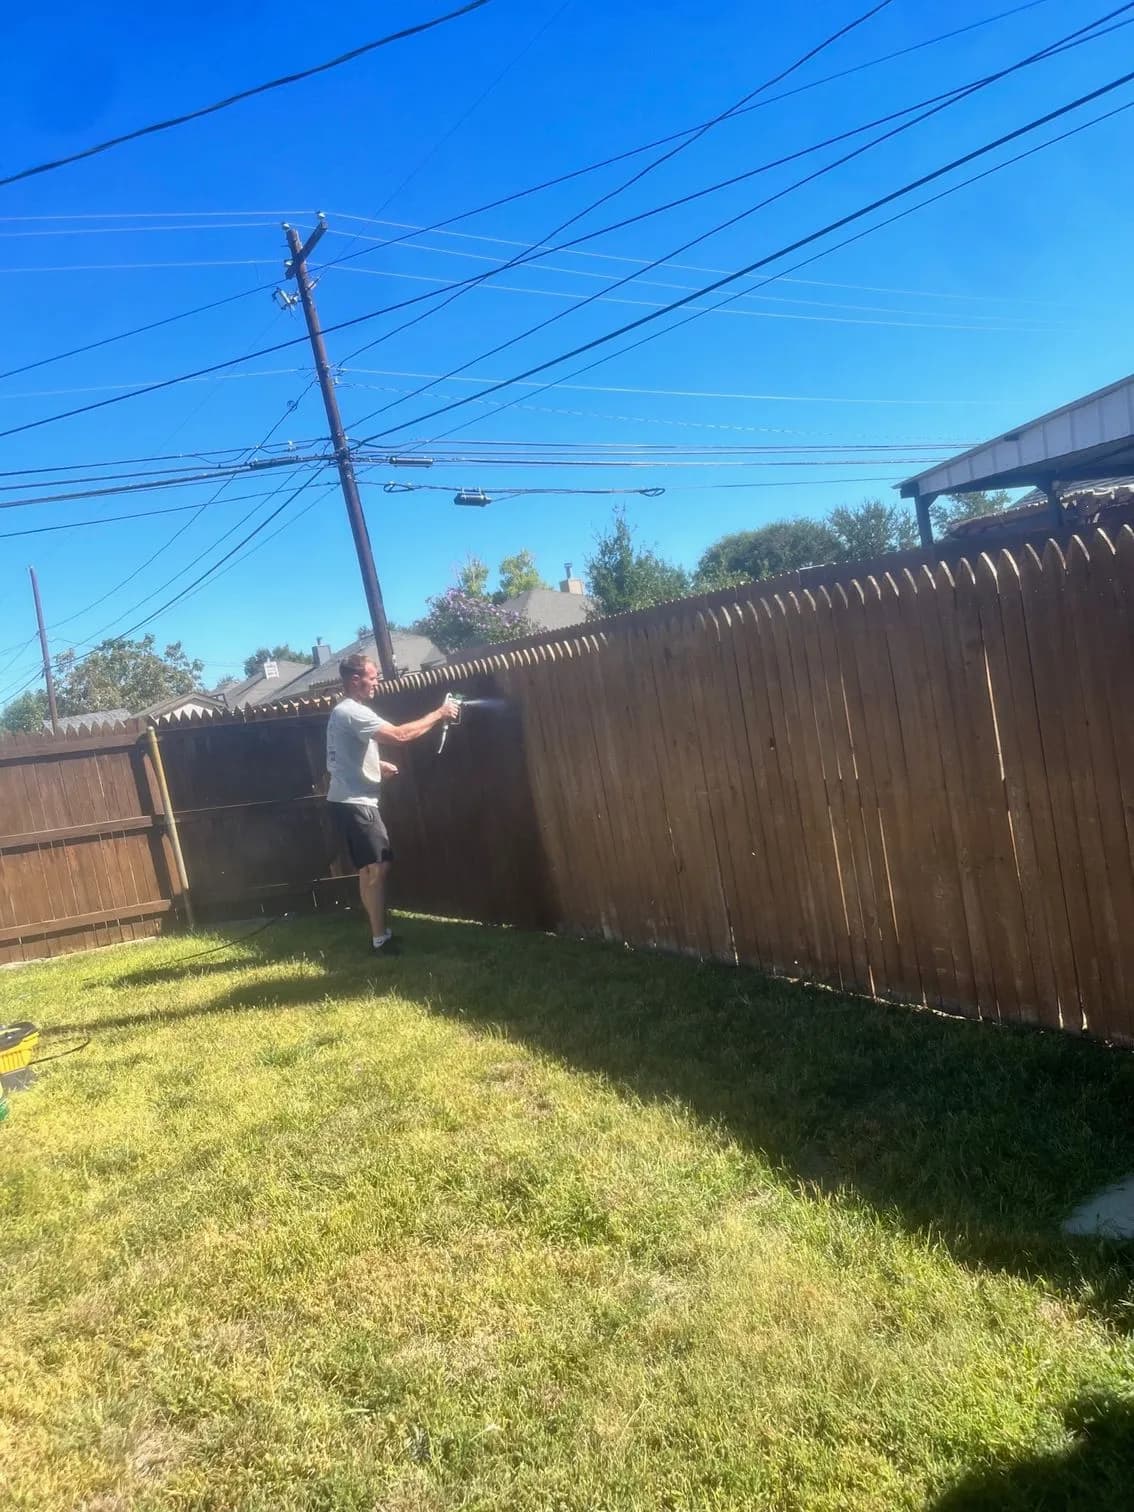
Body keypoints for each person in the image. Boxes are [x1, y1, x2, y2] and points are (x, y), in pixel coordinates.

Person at [325, 652, 458, 953]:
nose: (377, 684)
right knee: (377, 867)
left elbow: (341, 755)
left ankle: (378, 935)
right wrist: (440, 713)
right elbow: (400, 735)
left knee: (368, 869)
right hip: (356, 803)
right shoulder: (353, 712)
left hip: (346, 801)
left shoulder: (343, 712)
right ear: (356, 680)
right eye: (373, 678)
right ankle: (380, 940)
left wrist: (376, 764)